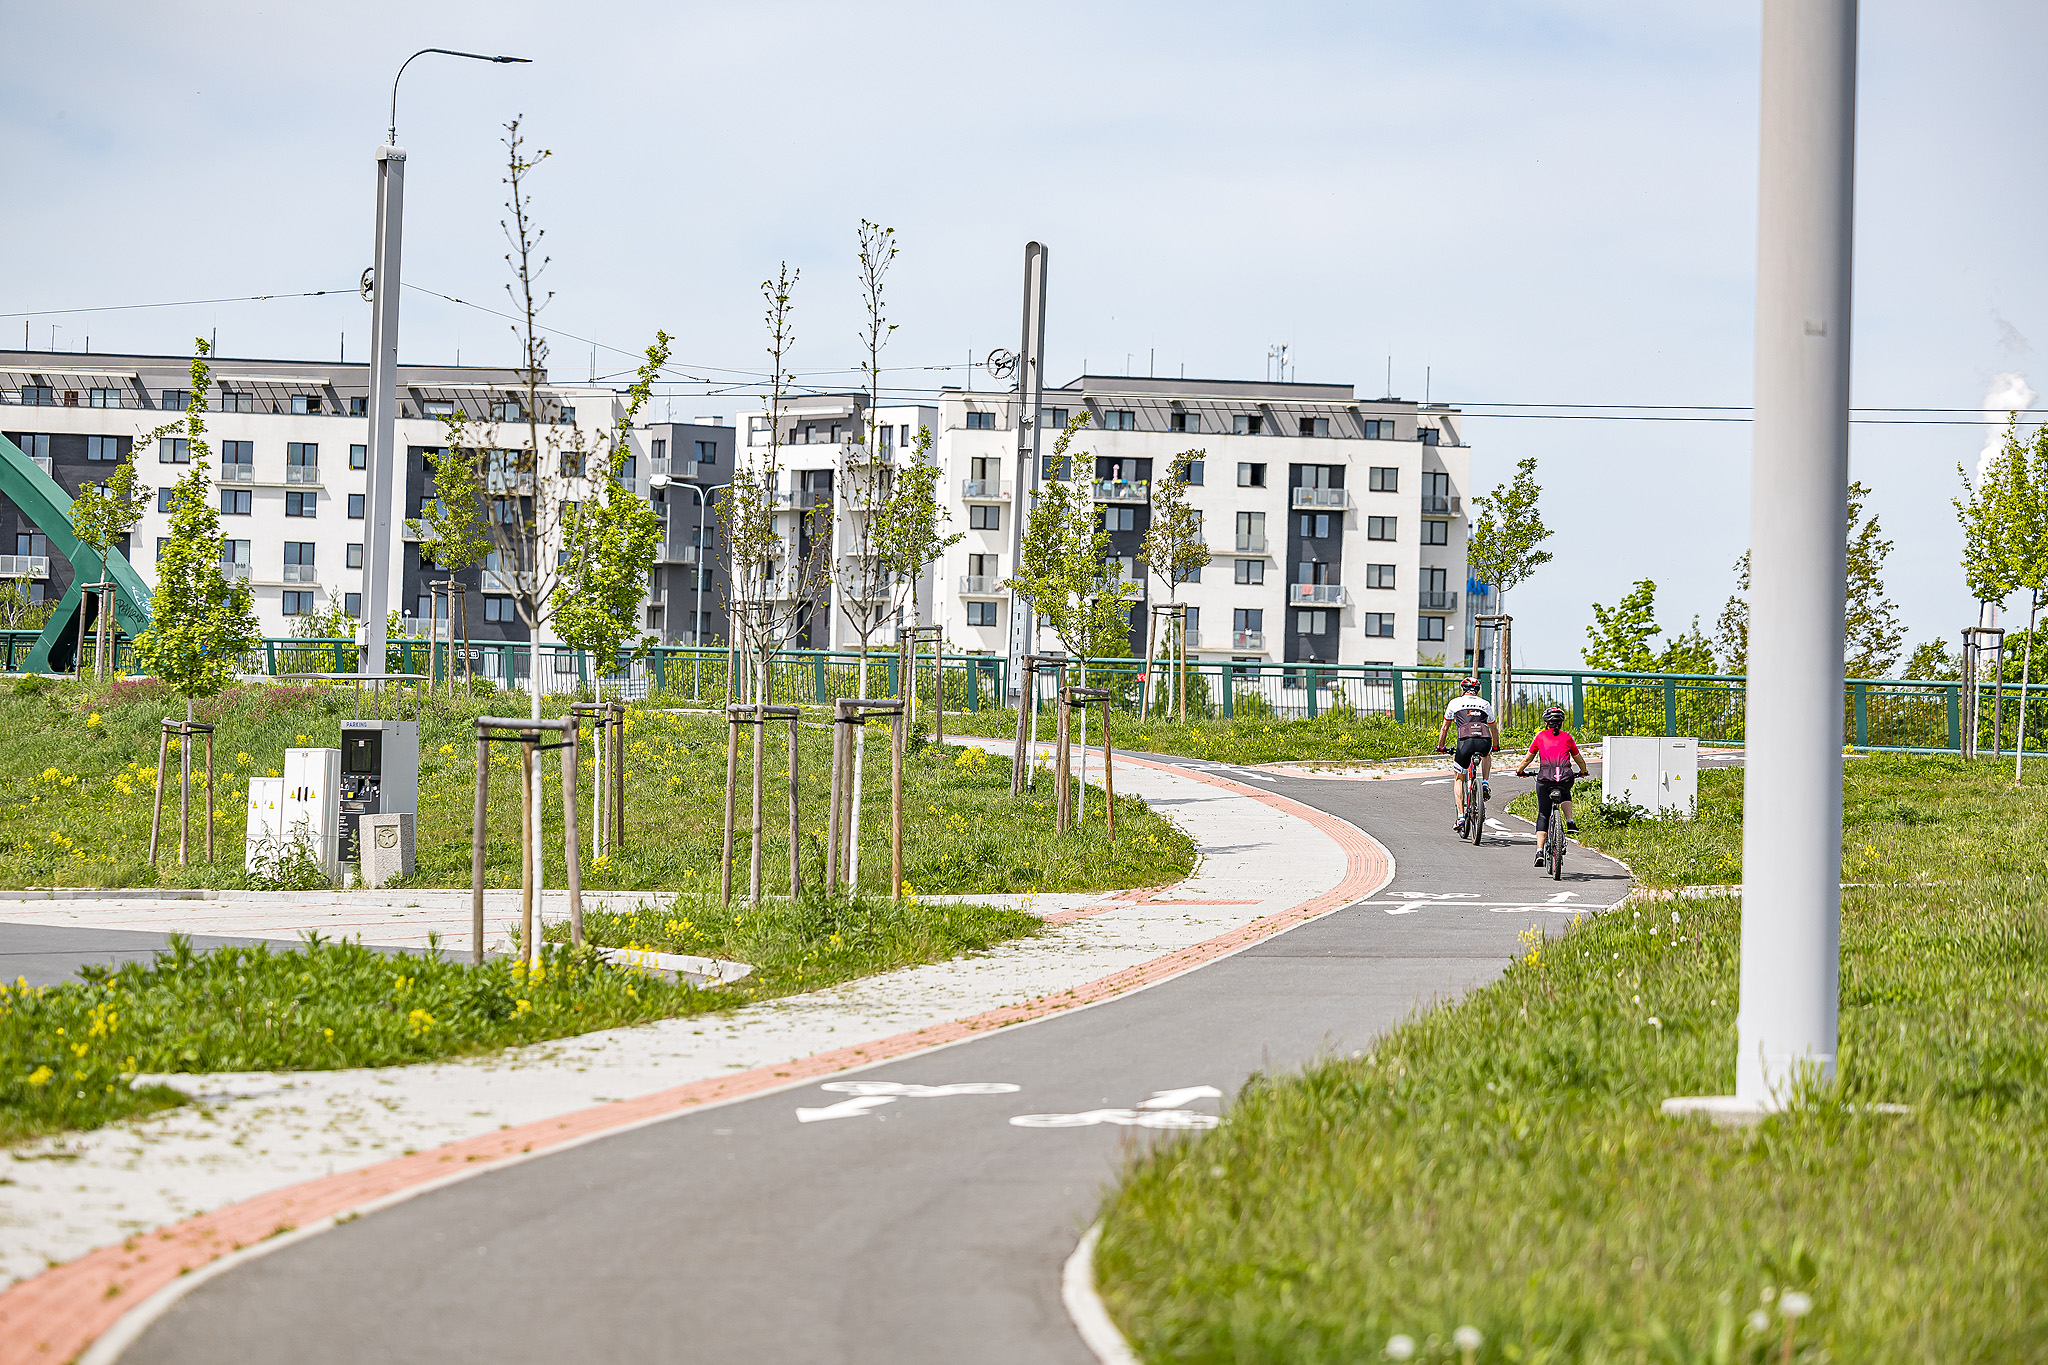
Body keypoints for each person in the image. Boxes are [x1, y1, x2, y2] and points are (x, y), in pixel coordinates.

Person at [1516, 704, 1591, 866]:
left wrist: (1520, 771)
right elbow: (1578, 759)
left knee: (1543, 813)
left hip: (1544, 778)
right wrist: (1583, 771)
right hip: (1565, 777)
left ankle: (1539, 851)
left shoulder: (1540, 736)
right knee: (1565, 791)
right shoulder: (1568, 737)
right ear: (1561, 723)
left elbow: (1527, 759)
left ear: (1546, 723)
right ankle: (1570, 821)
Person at [1434, 678, 1499, 835]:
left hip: (1465, 743)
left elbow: (1444, 728)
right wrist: (1495, 746)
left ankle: (1461, 817)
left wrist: (1441, 746)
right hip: (1484, 740)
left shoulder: (1455, 703)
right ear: (1477, 691)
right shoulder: (1485, 704)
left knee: (1458, 779)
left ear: (1463, 689)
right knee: (1487, 753)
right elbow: (1494, 728)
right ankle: (1484, 782)